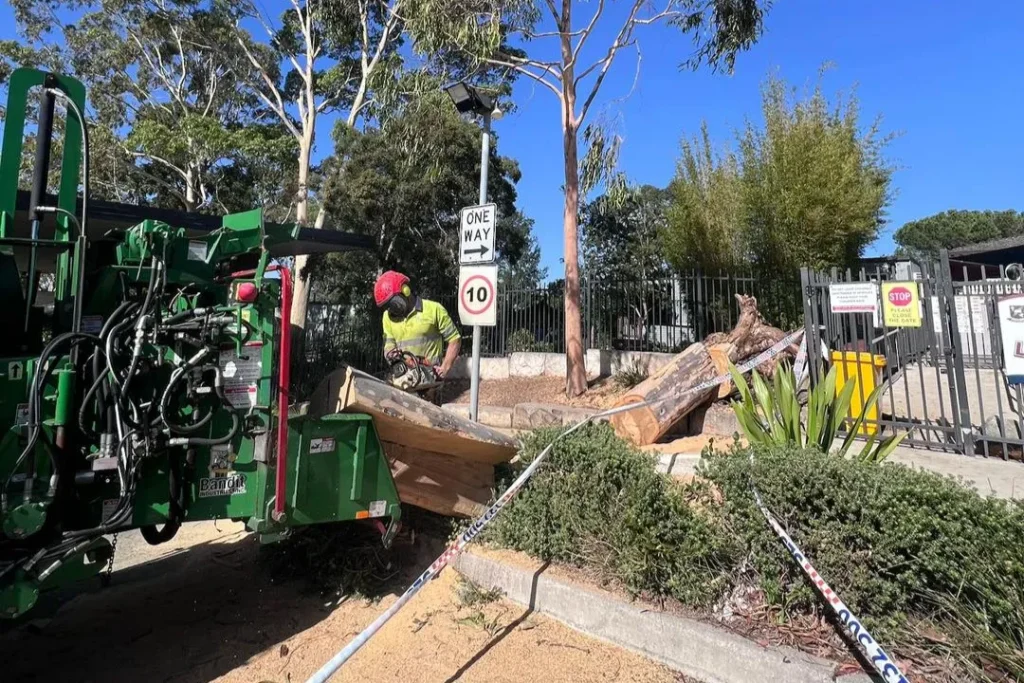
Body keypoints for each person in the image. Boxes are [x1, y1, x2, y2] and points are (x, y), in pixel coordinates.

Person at [374, 271, 461, 386]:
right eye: (388, 306)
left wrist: (445, 368)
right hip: (403, 379)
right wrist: (391, 354)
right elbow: (389, 344)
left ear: (406, 291)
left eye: (394, 303)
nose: (392, 309)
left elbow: (455, 339)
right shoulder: (387, 317)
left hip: (429, 380)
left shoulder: (434, 309)